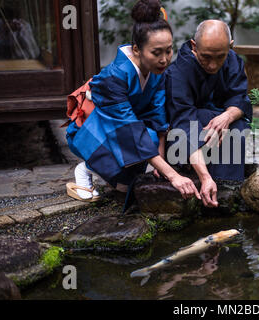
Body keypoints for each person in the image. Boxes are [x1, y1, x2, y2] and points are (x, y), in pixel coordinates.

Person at [65, 0, 200, 203]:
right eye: (157, 52)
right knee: (137, 142)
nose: (165, 59)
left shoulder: (155, 69)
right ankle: (85, 170)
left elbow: (157, 112)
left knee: (152, 140)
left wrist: (160, 161)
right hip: (90, 130)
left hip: (124, 129)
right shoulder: (115, 77)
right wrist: (172, 175)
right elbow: (127, 128)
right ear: (136, 49)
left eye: (168, 50)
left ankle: (115, 174)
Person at [165, 20, 252, 208]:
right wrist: (204, 177)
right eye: (206, 57)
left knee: (238, 125)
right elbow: (183, 124)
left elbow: (241, 100)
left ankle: (228, 193)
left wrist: (226, 117)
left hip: (222, 133)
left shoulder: (234, 60)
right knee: (205, 123)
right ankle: (213, 186)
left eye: (220, 57)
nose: (213, 65)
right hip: (186, 140)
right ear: (194, 46)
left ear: (230, 46)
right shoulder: (178, 73)